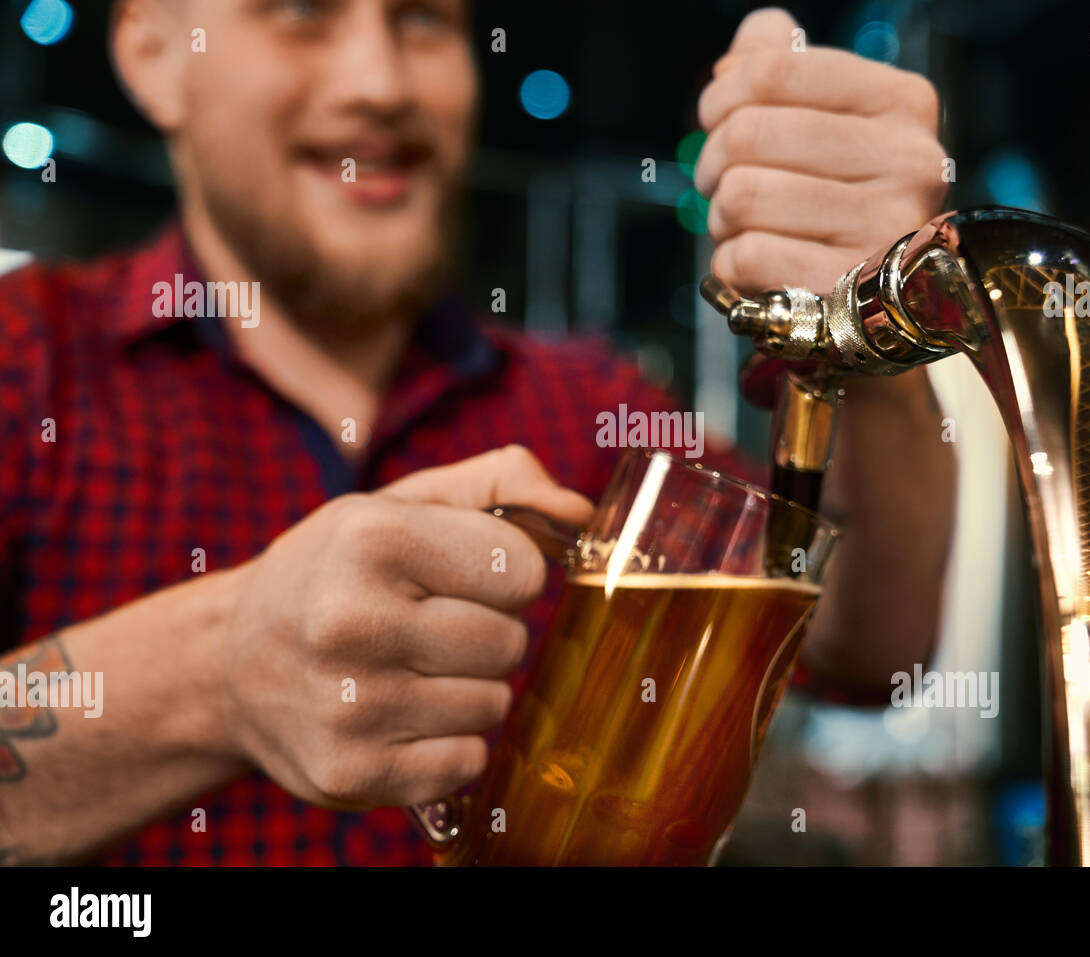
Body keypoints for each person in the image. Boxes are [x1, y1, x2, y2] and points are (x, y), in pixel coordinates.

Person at [0, 1, 955, 865]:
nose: (379, 85)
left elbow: (869, 647)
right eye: (300, 12)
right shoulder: (25, 361)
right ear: (154, 49)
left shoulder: (589, 410)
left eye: (423, 20)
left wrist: (873, 330)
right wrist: (216, 674)